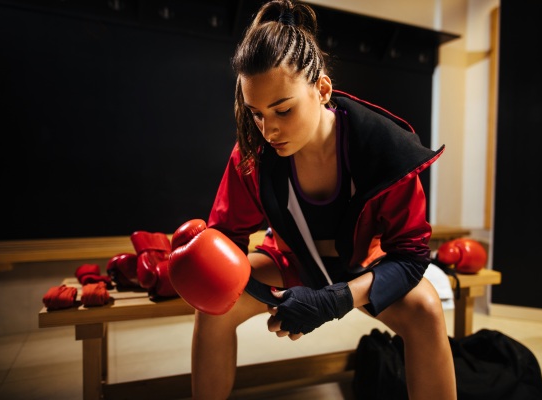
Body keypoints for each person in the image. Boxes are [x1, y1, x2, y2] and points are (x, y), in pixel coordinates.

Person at [188, 0, 457, 398]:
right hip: (288, 263)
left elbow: (412, 256)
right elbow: (227, 237)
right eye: (257, 114)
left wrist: (336, 299)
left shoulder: (384, 148)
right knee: (213, 311)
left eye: (283, 110)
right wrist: (207, 267)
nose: (268, 129)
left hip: (363, 267)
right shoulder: (252, 154)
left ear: (322, 89)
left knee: (426, 310)